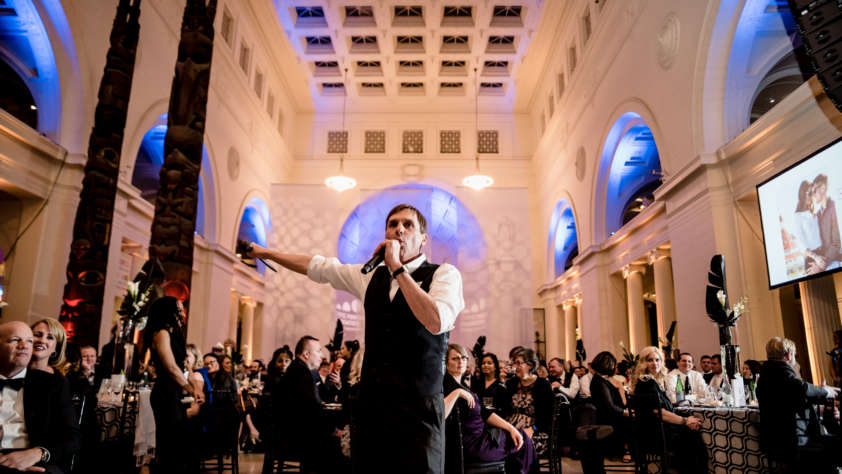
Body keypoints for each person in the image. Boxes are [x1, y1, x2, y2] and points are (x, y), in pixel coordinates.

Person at [249, 203, 465, 473]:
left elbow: (436, 321)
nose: (399, 229)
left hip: (419, 409)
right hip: (374, 407)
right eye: (393, 224)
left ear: (423, 239)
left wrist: (398, 269)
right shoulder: (370, 276)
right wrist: (266, 252)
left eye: (408, 225)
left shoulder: (444, 274)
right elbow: (319, 266)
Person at [0, 321, 81, 474]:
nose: (42, 340)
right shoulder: (10, 369)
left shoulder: (56, 383)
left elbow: (71, 437)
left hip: (35, 460)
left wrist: (37, 453)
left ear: (56, 348)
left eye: (50, 337)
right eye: (36, 335)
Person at [443, 344, 535, 473]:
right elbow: (439, 415)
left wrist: (510, 428)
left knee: (519, 437)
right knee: (523, 440)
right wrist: (456, 393)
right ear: (446, 362)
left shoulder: (463, 385)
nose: (461, 361)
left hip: (480, 439)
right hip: (474, 446)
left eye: (463, 358)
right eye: (455, 358)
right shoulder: (446, 386)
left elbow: (485, 412)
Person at [757, 337, 840, 470]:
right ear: (788, 355)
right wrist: (825, 391)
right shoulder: (781, 371)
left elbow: (791, 399)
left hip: (775, 442)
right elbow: (801, 388)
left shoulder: (767, 373)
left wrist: (819, 397)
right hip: (793, 443)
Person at [144, 296, 198, 473]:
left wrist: (195, 386)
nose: (182, 313)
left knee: (177, 444)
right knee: (169, 445)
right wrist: (191, 389)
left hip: (175, 393)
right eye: (179, 309)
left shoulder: (175, 334)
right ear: (169, 311)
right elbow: (171, 367)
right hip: (165, 392)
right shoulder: (161, 333)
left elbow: (184, 365)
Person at [632, 346, 707, 474]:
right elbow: (660, 412)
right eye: (650, 360)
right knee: (693, 436)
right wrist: (685, 420)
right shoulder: (647, 382)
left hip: (658, 429)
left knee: (692, 431)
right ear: (644, 363)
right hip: (653, 434)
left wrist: (687, 419)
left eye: (657, 360)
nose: (654, 363)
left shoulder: (654, 382)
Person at [279, 336, 340, 473]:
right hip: (296, 438)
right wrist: (334, 430)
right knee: (340, 445)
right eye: (318, 351)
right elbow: (314, 411)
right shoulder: (303, 373)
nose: (322, 356)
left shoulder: (296, 369)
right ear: (306, 354)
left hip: (288, 433)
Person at [505, 347, 553, 456]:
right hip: (511, 429)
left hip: (536, 431)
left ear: (530, 365)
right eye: (514, 363)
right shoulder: (511, 384)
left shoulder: (543, 385)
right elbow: (505, 410)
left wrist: (532, 429)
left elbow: (547, 416)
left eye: (519, 363)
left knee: (519, 445)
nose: (515, 367)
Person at [588, 351, 632, 464]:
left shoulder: (601, 380)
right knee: (631, 420)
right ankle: (628, 450)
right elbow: (609, 406)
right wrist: (625, 412)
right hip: (607, 418)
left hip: (609, 414)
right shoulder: (599, 382)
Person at [806, 174, 842, 274]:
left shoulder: (834, 208)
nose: (813, 195)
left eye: (814, 191)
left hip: (834, 263)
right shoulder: (818, 214)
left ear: (823, 189)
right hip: (823, 262)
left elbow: (836, 243)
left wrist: (820, 266)